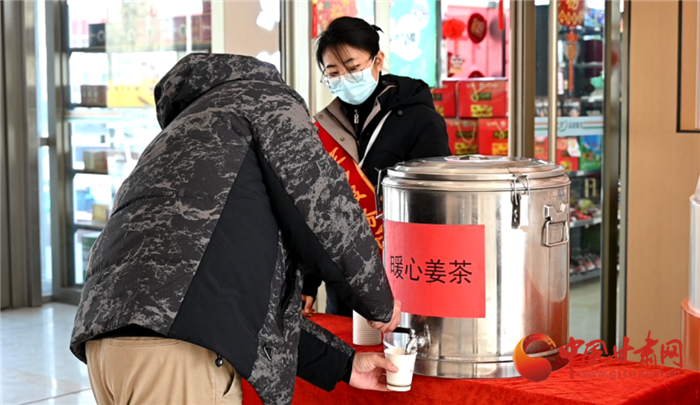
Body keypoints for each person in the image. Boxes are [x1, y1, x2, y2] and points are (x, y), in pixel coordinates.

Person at [69, 53, 402, 405]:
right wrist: (380, 304)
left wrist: (343, 365)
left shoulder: (177, 136)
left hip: (105, 345)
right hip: (178, 351)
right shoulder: (265, 100)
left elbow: (228, 304)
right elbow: (326, 211)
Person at [302, 17, 451, 318]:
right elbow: (317, 208)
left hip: (403, 275)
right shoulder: (323, 129)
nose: (344, 78)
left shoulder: (421, 121)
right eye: (333, 73)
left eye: (352, 67)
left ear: (378, 60)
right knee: (348, 345)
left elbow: (435, 206)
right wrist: (308, 283)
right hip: (344, 282)